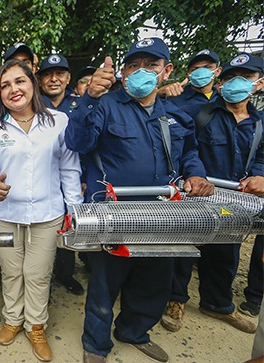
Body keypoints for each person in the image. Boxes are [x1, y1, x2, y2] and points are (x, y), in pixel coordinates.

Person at [65, 38, 215, 363]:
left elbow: (189, 153)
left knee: (153, 281)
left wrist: (196, 174)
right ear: (123, 71)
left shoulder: (174, 115)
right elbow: (76, 141)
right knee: (106, 283)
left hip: (162, 216)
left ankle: (134, 332)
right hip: (116, 215)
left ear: (167, 71)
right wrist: (89, 97)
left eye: (151, 65)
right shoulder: (105, 105)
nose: (141, 72)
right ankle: (95, 345)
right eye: (133, 66)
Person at [0, 59, 82, 362]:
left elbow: (69, 169)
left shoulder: (58, 121)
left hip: (48, 213)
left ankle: (36, 325)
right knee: (11, 271)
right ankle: (12, 319)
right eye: (5, 85)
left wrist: (75, 211)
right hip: (4, 214)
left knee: (37, 273)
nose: (13, 89)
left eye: (19, 81)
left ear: (32, 84)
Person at [162, 53, 263, 335]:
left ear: (259, 84)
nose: (236, 83)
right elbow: (184, 148)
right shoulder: (201, 113)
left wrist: (260, 176)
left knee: (227, 251)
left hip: (238, 199)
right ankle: (175, 300)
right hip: (199, 195)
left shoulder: (259, 122)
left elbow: (261, 156)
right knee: (185, 250)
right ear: (220, 83)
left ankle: (217, 303)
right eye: (230, 78)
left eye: (245, 78)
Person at [36, 54, 85, 296]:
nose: (53, 79)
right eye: (47, 74)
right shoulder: (31, 105)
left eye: (59, 74)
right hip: (44, 177)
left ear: (68, 79)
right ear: (40, 80)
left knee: (69, 224)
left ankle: (65, 275)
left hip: (75, 174)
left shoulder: (79, 104)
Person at [157, 49, 221, 116]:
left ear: (218, 71)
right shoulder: (173, 99)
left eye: (207, 67)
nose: (201, 72)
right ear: (188, 74)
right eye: (195, 69)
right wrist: (158, 93)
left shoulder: (224, 99)